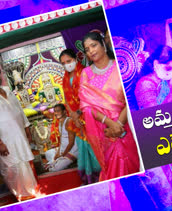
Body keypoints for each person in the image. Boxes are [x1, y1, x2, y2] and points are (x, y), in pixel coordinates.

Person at [78, 31, 140, 181]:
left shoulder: (120, 66)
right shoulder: (86, 74)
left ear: (103, 44)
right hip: (105, 131)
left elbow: (130, 97)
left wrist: (119, 124)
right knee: (114, 173)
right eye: (87, 49)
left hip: (128, 127)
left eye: (93, 45)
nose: (91, 51)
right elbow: (86, 107)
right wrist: (110, 123)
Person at [0, 65, 38, 201]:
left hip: (20, 137)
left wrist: (27, 130)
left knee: (25, 164)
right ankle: (22, 197)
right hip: (4, 141)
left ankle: (32, 194)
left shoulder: (7, 90)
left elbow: (20, 112)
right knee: (12, 169)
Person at [58, 49, 100, 184]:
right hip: (76, 120)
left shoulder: (85, 72)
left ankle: (101, 176)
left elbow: (91, 94)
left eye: (68, 61)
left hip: (89, 115)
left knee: (94, 147)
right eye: (63, 63)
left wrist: (79, 113)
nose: (66, 65)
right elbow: (66, 98)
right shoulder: (65, 78)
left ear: (75, 59)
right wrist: (73, 115)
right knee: (83, 149)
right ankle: (89, 178)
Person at [134, 45, 172, 109]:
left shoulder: (164, 79)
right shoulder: (145, 85)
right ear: (156, 64)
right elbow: (153, 115)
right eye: (168, 68)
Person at [45, 104, 78, 172]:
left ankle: (56, 162)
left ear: (64, 112)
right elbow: (62, 140)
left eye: (58, 111)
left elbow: (71, 143)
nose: (56, 113)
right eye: (55, 111)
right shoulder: (60, 122)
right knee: (48, 153)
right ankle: (56, 161)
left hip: (72, 150)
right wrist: (58, 153)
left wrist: (63, 154)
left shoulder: (69, 121)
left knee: (55, 169)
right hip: (63, 149)